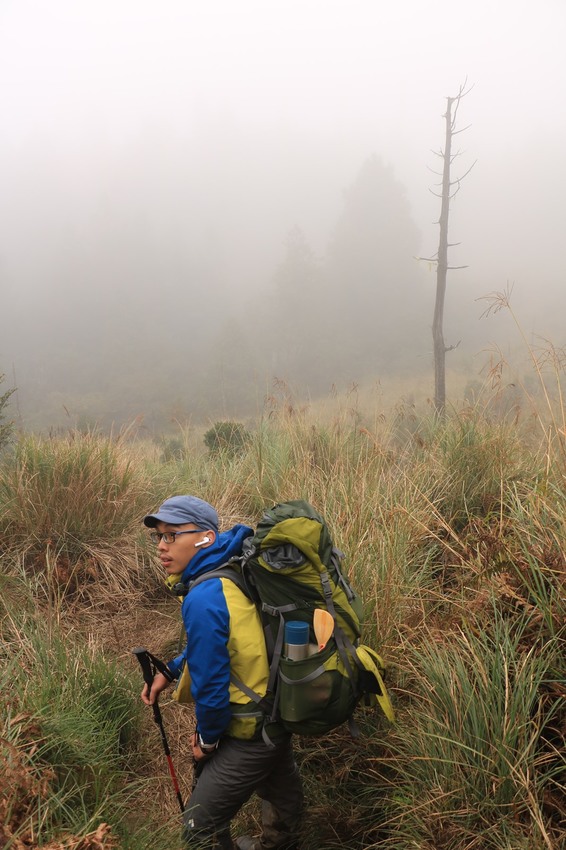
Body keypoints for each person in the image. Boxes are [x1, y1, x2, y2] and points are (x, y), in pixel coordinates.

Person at [141, 495, 303, 850]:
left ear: (206, 538)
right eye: (159, 537)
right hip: (278, 708)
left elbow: (211, 687)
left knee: (199, 828)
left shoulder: (204, 596)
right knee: (284, 799)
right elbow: (224, 639)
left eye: (172, 535)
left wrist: (206, 742)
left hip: (250, 729)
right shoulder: (233, 567)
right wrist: (171, 670)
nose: (162, 546)